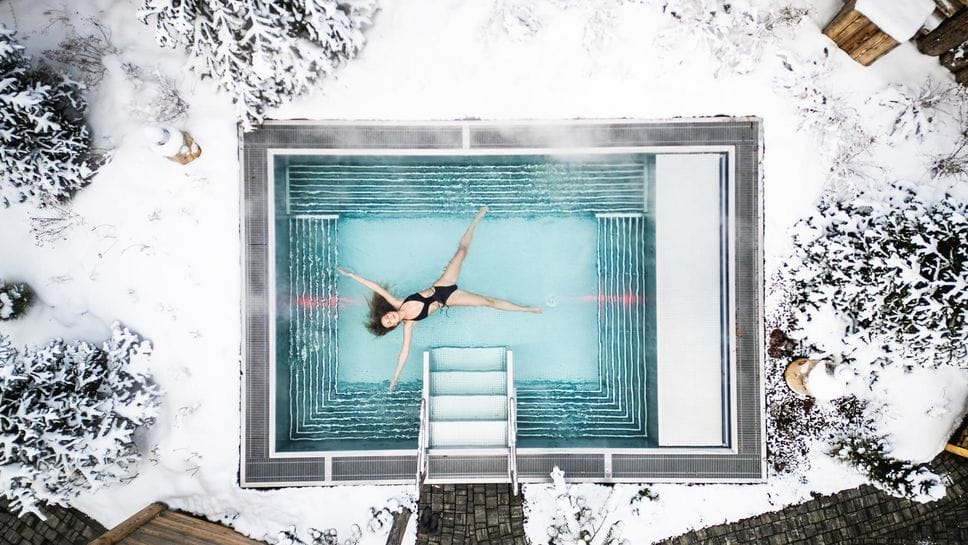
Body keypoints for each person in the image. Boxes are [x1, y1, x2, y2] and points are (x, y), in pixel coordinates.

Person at [337, 206, 542, 392]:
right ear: (394, 326)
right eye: (390, 322)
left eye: (387, 317)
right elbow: (404, 352)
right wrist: (396, 377)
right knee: (488, 302)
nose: (391, 318)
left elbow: (376, 287)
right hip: (450, 298)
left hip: (442, 284)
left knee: (461, 252)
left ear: (388, 312)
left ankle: (476, 220)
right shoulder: (409, 324)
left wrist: (352, 275)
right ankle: (527, 309)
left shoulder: (397, 302)